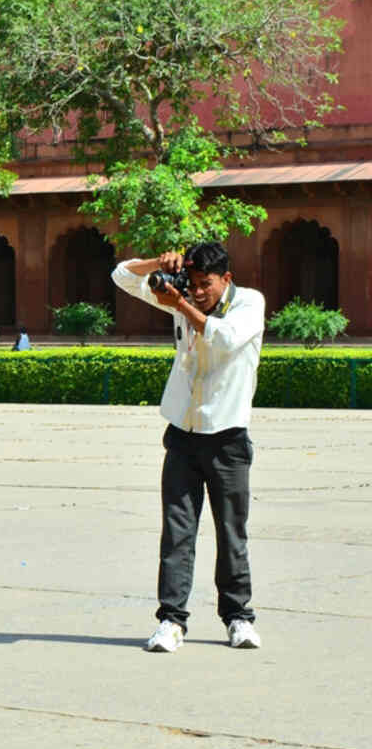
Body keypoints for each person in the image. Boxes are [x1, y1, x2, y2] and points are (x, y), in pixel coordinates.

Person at [111, 242, 265, 654]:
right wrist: (158, 264)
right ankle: (171, 621)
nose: (198, 292)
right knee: (177, 533)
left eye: (206, 285)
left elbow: (224, 339)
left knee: (231, 533)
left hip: (228, 438)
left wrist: (180, 304)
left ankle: (238, 618)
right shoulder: (181, 295)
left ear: (226, 279)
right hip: (182, 433)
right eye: (192, 284)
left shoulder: (249, 304)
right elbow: (123, 276)